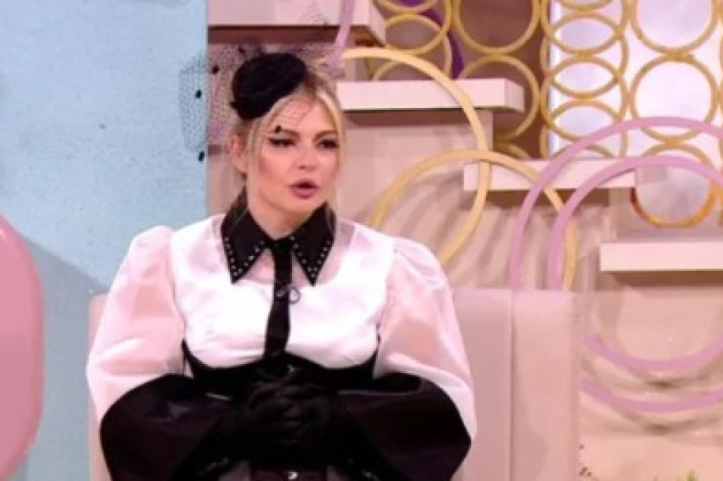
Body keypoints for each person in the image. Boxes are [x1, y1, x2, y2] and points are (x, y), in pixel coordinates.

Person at [87, 51, 476, 481]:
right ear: (239, 151)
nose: (308, 162)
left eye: (326, 143)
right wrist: (230, 427)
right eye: (283, 141)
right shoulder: (173, 258)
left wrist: (340, 419)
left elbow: (438, 414)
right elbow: (128, 407)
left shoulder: (390, 266)